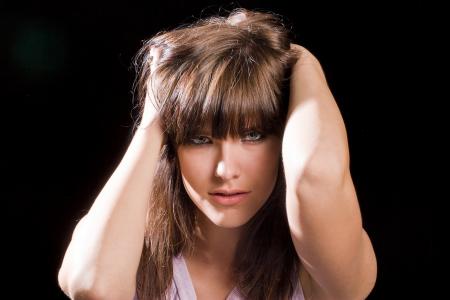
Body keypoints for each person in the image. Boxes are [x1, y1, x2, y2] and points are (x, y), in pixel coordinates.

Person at [57, 8, 377, 300]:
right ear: (172, 146)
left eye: (253, 135)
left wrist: (300, 58)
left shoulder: (316, 269)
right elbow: (92, 285)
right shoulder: (132, 250)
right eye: (200, 139)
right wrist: (154, 118)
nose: (225, 169)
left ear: (286, 139)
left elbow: (315, 176)